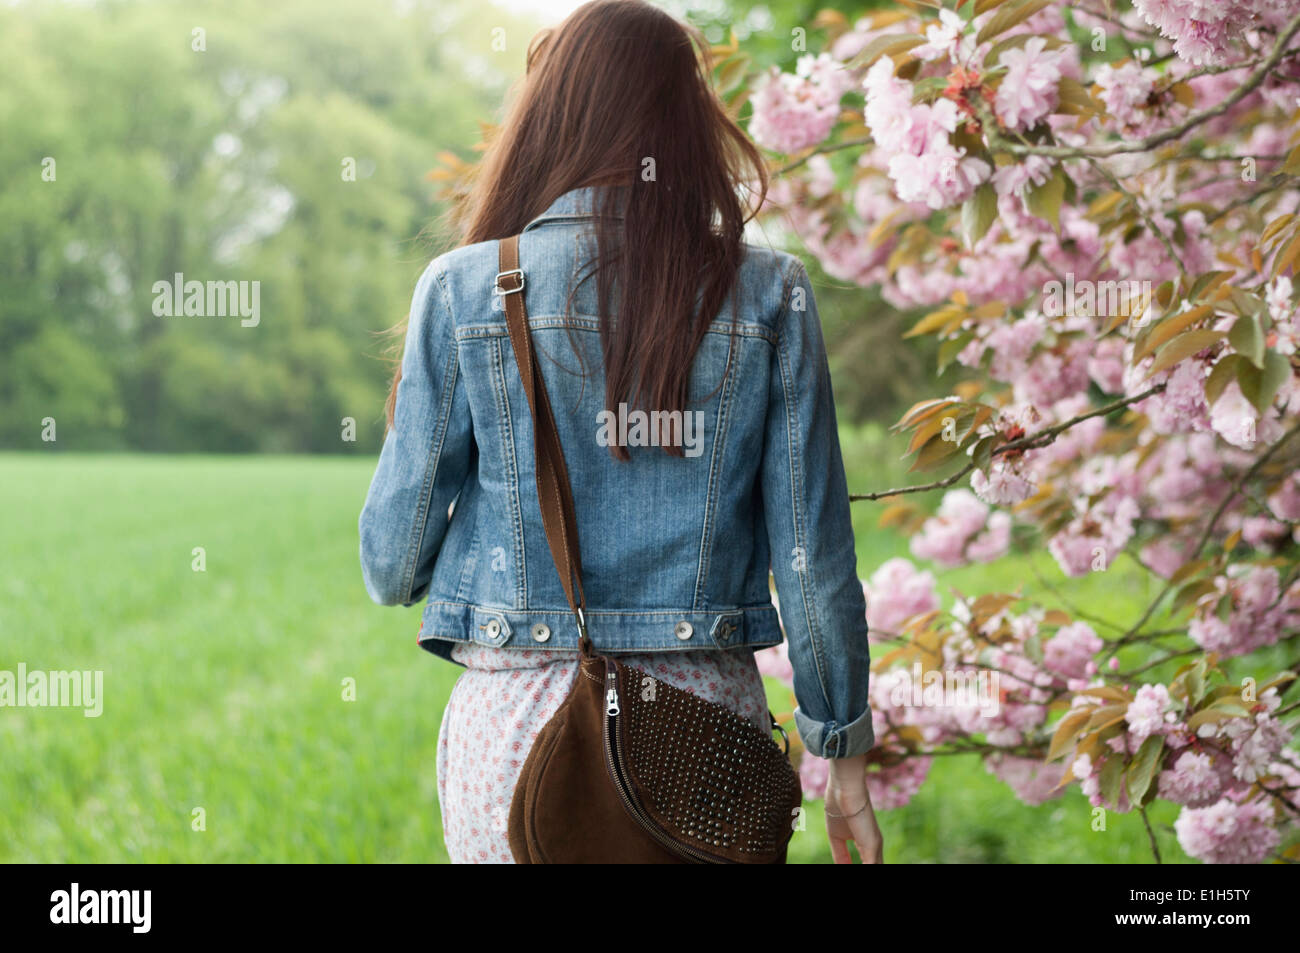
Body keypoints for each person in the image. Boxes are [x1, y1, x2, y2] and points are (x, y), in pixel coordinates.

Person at [359, 0, 881, 864]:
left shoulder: (462, 290)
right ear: (687, 128)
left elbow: (391, 566)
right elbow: (813, 562)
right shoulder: (770, 293)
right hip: (705, 725)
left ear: (548, 119)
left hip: (518, 728)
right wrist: (844, 752)